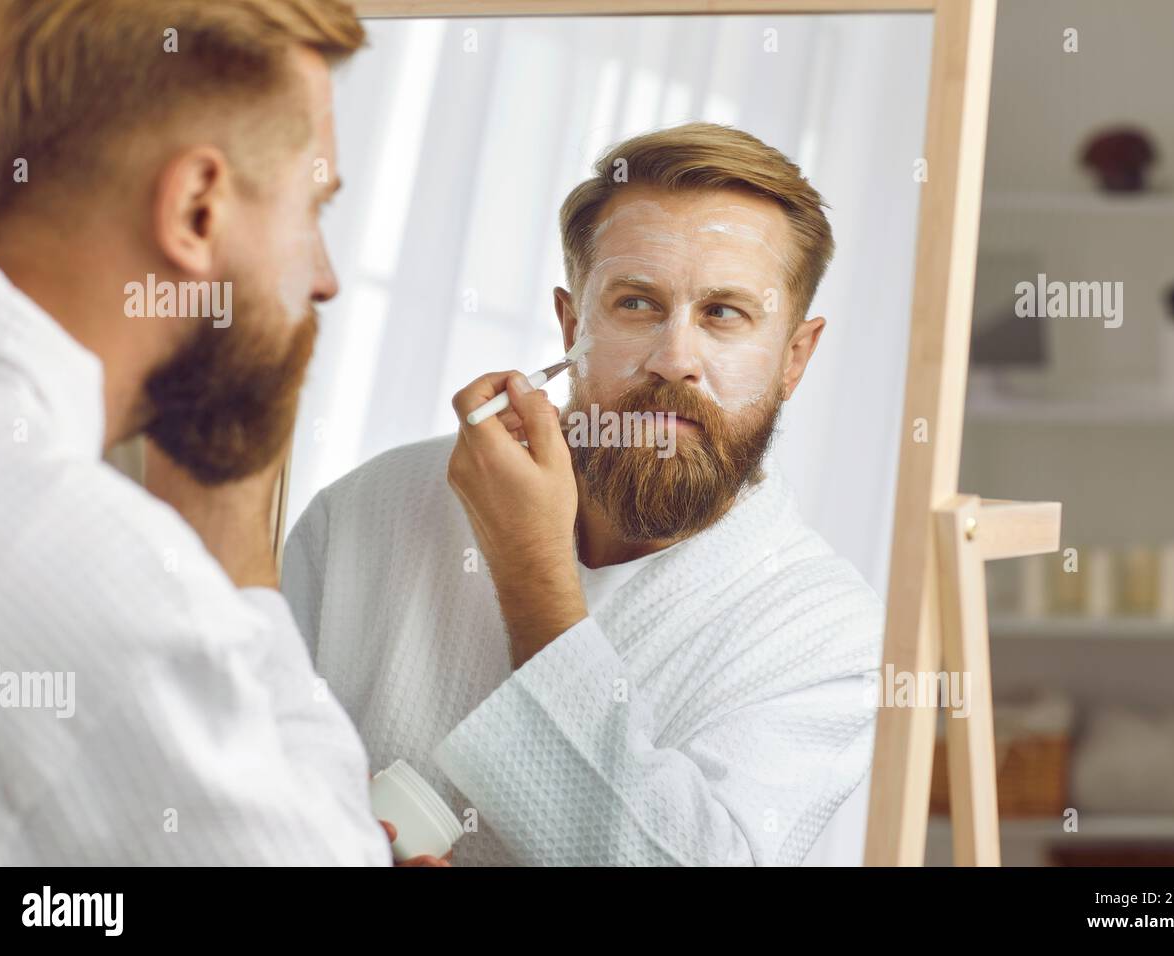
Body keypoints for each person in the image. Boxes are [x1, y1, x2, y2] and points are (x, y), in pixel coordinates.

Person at [282, 123, 886, 866]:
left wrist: (532, 569)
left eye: (724, 313)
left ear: (795, 358)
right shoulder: (364, 513)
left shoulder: (826, 632)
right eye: (636, 304)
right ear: (572, 325)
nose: (674, 360)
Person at [0, 0, 415, 865]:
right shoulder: (87, 560)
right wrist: (243, 567)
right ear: (197, 211)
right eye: (312, 208)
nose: (323, 280)